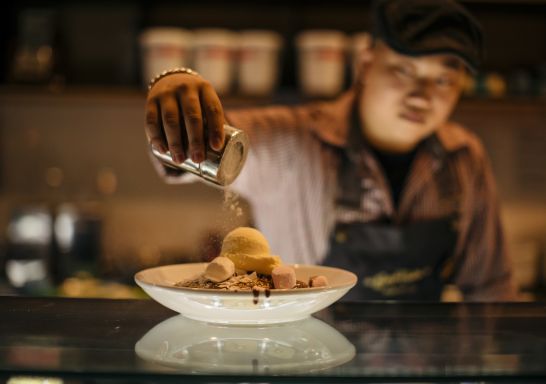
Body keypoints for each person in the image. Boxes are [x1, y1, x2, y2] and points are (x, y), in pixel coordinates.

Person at [143, 0, 518, 301]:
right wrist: (176, 87)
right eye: (403, 70)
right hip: (309, 368)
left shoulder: (464, 158)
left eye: (442, 78)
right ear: (366, 64)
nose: (421, 94)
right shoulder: (293, 142)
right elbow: (191, 153)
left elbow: (492, 289)